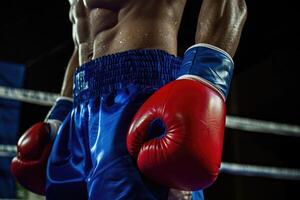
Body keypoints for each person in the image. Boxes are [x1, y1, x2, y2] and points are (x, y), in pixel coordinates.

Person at [11, 0, 247, 199]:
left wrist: (204, 80)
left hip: (138, 98)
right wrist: (61, 114)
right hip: (82, 111)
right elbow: (82, 42)